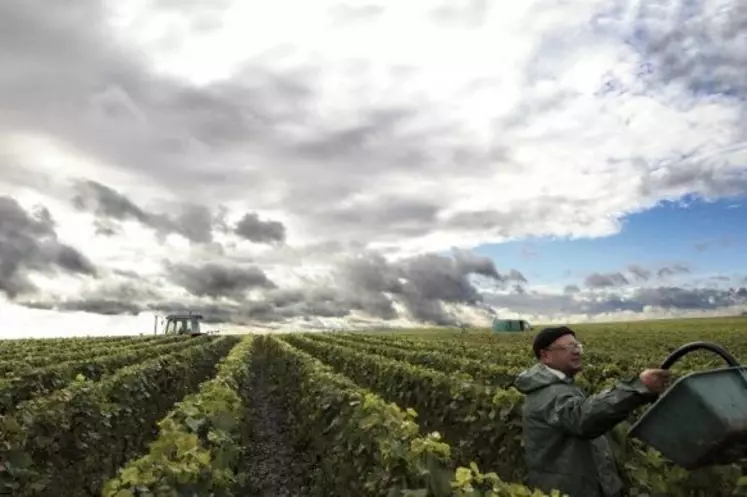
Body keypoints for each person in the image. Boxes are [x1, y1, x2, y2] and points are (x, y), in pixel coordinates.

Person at [512, 326, 670, 497]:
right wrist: (637, 388)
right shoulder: (547, 393)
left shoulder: (561, 385)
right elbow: (582, 418)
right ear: (545, 355)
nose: (576, 352)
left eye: (577, 346)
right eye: (568, 348)